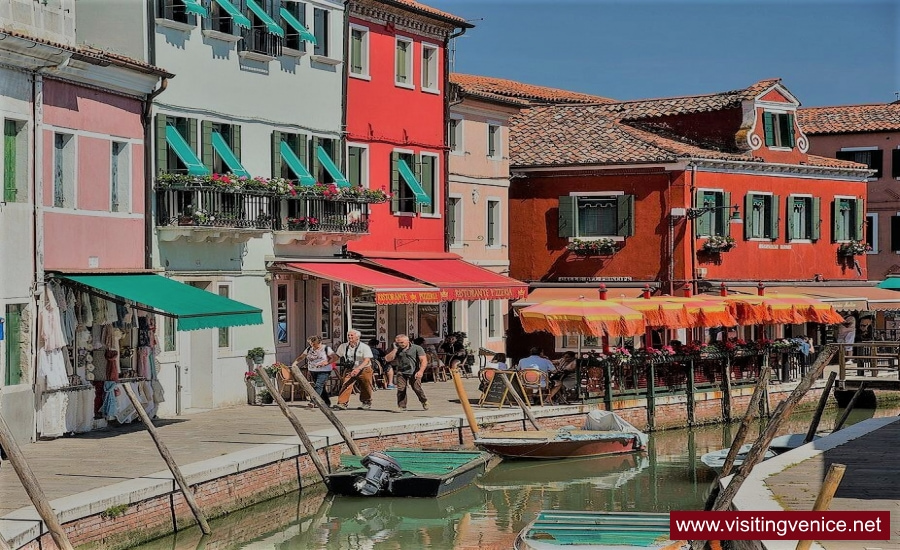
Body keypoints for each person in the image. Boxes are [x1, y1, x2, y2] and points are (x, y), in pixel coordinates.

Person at [384, 334, 429, 411]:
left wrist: (421, 371)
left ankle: (424, 401)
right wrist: (395, 349)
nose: (400, 344)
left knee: (416, 388)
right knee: (401, 389)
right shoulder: (397, 348)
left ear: (408, 341)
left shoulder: (417, 348)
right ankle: (402, 406)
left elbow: (423, 360)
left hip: (414, 371)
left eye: (402, 342)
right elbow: (387, 359)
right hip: (401, 371)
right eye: (398, 343)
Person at [333, 329, 374, 410]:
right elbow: (336, 356)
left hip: (364, 368)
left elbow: (367, 360)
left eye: (352, 335)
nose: (349, 337)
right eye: (348, 335)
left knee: (366, 385)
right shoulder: (343, 346)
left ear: (357, 337)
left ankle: (366, 402)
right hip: (350, 368)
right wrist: (327, 362)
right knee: (346, 384)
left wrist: (358, 369)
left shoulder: (364, 347)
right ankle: (342, 403)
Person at [291, 335, 337, 408]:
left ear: (320, 343)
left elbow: (335, 357)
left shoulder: (326, 349)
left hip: (324, 370)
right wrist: (294, 363)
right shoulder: (309, 349)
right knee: (320, 387)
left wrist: (327, 362)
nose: (314, 347)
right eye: (312, 345)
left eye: (316, 345)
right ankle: (326, 402)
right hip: (313, 370)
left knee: (318, 385)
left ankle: (313, 401)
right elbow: (302, 357)